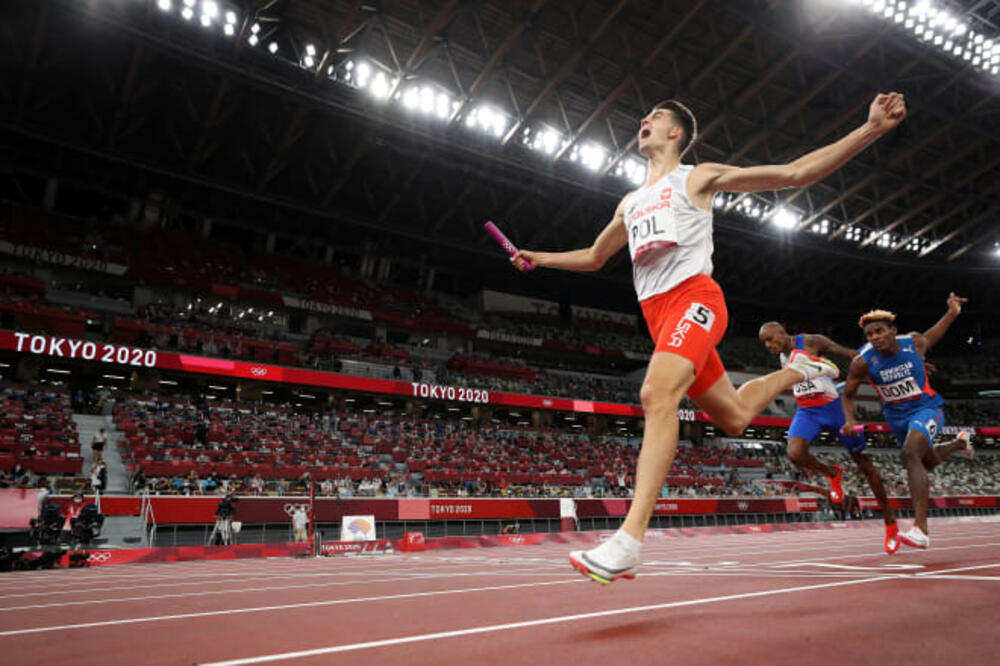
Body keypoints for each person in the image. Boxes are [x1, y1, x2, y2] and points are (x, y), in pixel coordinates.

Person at [510, 92, 908, 584]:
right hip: (658, 316)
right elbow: (595, 256)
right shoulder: (630, 202)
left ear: (676, 133)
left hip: (695, 299)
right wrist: (539, 258)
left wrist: (869, 129)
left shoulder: (696, 177)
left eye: (653, 116)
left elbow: (793, 174)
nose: (643, 119)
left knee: (656, 393)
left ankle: (630, 540)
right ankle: (796, 371)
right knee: (736, 417)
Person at [841, 293, 973, 550]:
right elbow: (847, 395)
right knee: (927, 461)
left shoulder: (914, 344)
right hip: (896, 416)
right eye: (870, 334)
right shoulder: (863, 362)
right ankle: (958, 444)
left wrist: (953, 312)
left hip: (926, 407)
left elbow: (937, 332)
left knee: (910, 453)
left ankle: (921, 529)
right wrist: (849, 419)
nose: (875, 337)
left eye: (880, 331)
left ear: (893, 330)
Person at [758, 322, 900, 553]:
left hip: (834, 410)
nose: (768, 346)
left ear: (783, 334)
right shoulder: (783, 356)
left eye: (771, 340)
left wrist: (878, 369)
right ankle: (832, 473)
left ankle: (890, 523)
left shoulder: (812, 341)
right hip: (807, 411)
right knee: (794, 453)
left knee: (866, 466)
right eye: (764, 343)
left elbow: (851, 355)